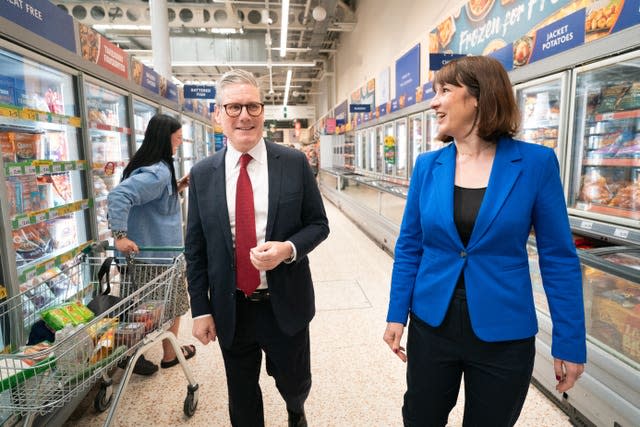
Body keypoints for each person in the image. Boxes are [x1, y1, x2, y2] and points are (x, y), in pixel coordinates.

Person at [383, 56, 586, 427]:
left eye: (445, 91)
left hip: (504, 332)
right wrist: (397, 313)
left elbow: (558, 258)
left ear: (478, 97)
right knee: (420, 418)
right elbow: (410, 245)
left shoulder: (535, 164)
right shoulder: (429, 166)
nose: (434, 101)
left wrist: (570, 341)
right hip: (432, 323)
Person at [185, 69, 329, 427]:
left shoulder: (293, 163)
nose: (244, 116)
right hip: (232, 307)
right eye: (233, 107)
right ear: (218, 115)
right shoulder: (203, 174)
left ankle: (296, 409)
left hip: (285, 302)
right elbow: (196, 249)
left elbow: (318, 224)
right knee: (242, 394)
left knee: (294, 382)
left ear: (263, 112)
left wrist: (288, 249)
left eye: (253, 106)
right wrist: (200, 310)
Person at [108, 113, 196, 376]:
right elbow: (119, 195)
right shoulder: (157, 171)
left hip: (153, 252)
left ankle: (166, 352)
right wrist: (120, 235)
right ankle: (136, 351)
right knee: (165, 305)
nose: (179, 143)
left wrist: (178, 187)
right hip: (153, 254)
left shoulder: (157, 168)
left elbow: (153, 203)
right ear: (163, 138)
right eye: (177, 139)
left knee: (157, 305)